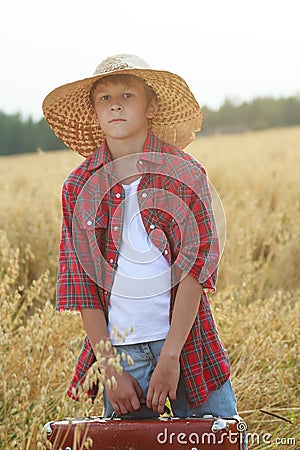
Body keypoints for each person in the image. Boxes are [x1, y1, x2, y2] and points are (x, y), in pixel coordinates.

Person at [43, 54, 238, 420]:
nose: (115, 104)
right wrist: (110, 368)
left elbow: (196, 268)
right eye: (104, 98)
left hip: (186, 342)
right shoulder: (79, 186)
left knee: (218, 436)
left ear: (151, 106)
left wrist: (170, 355)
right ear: (95, 113)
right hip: (119, 353)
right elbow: (82, 283)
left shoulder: (184, 172)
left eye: (127, 94)